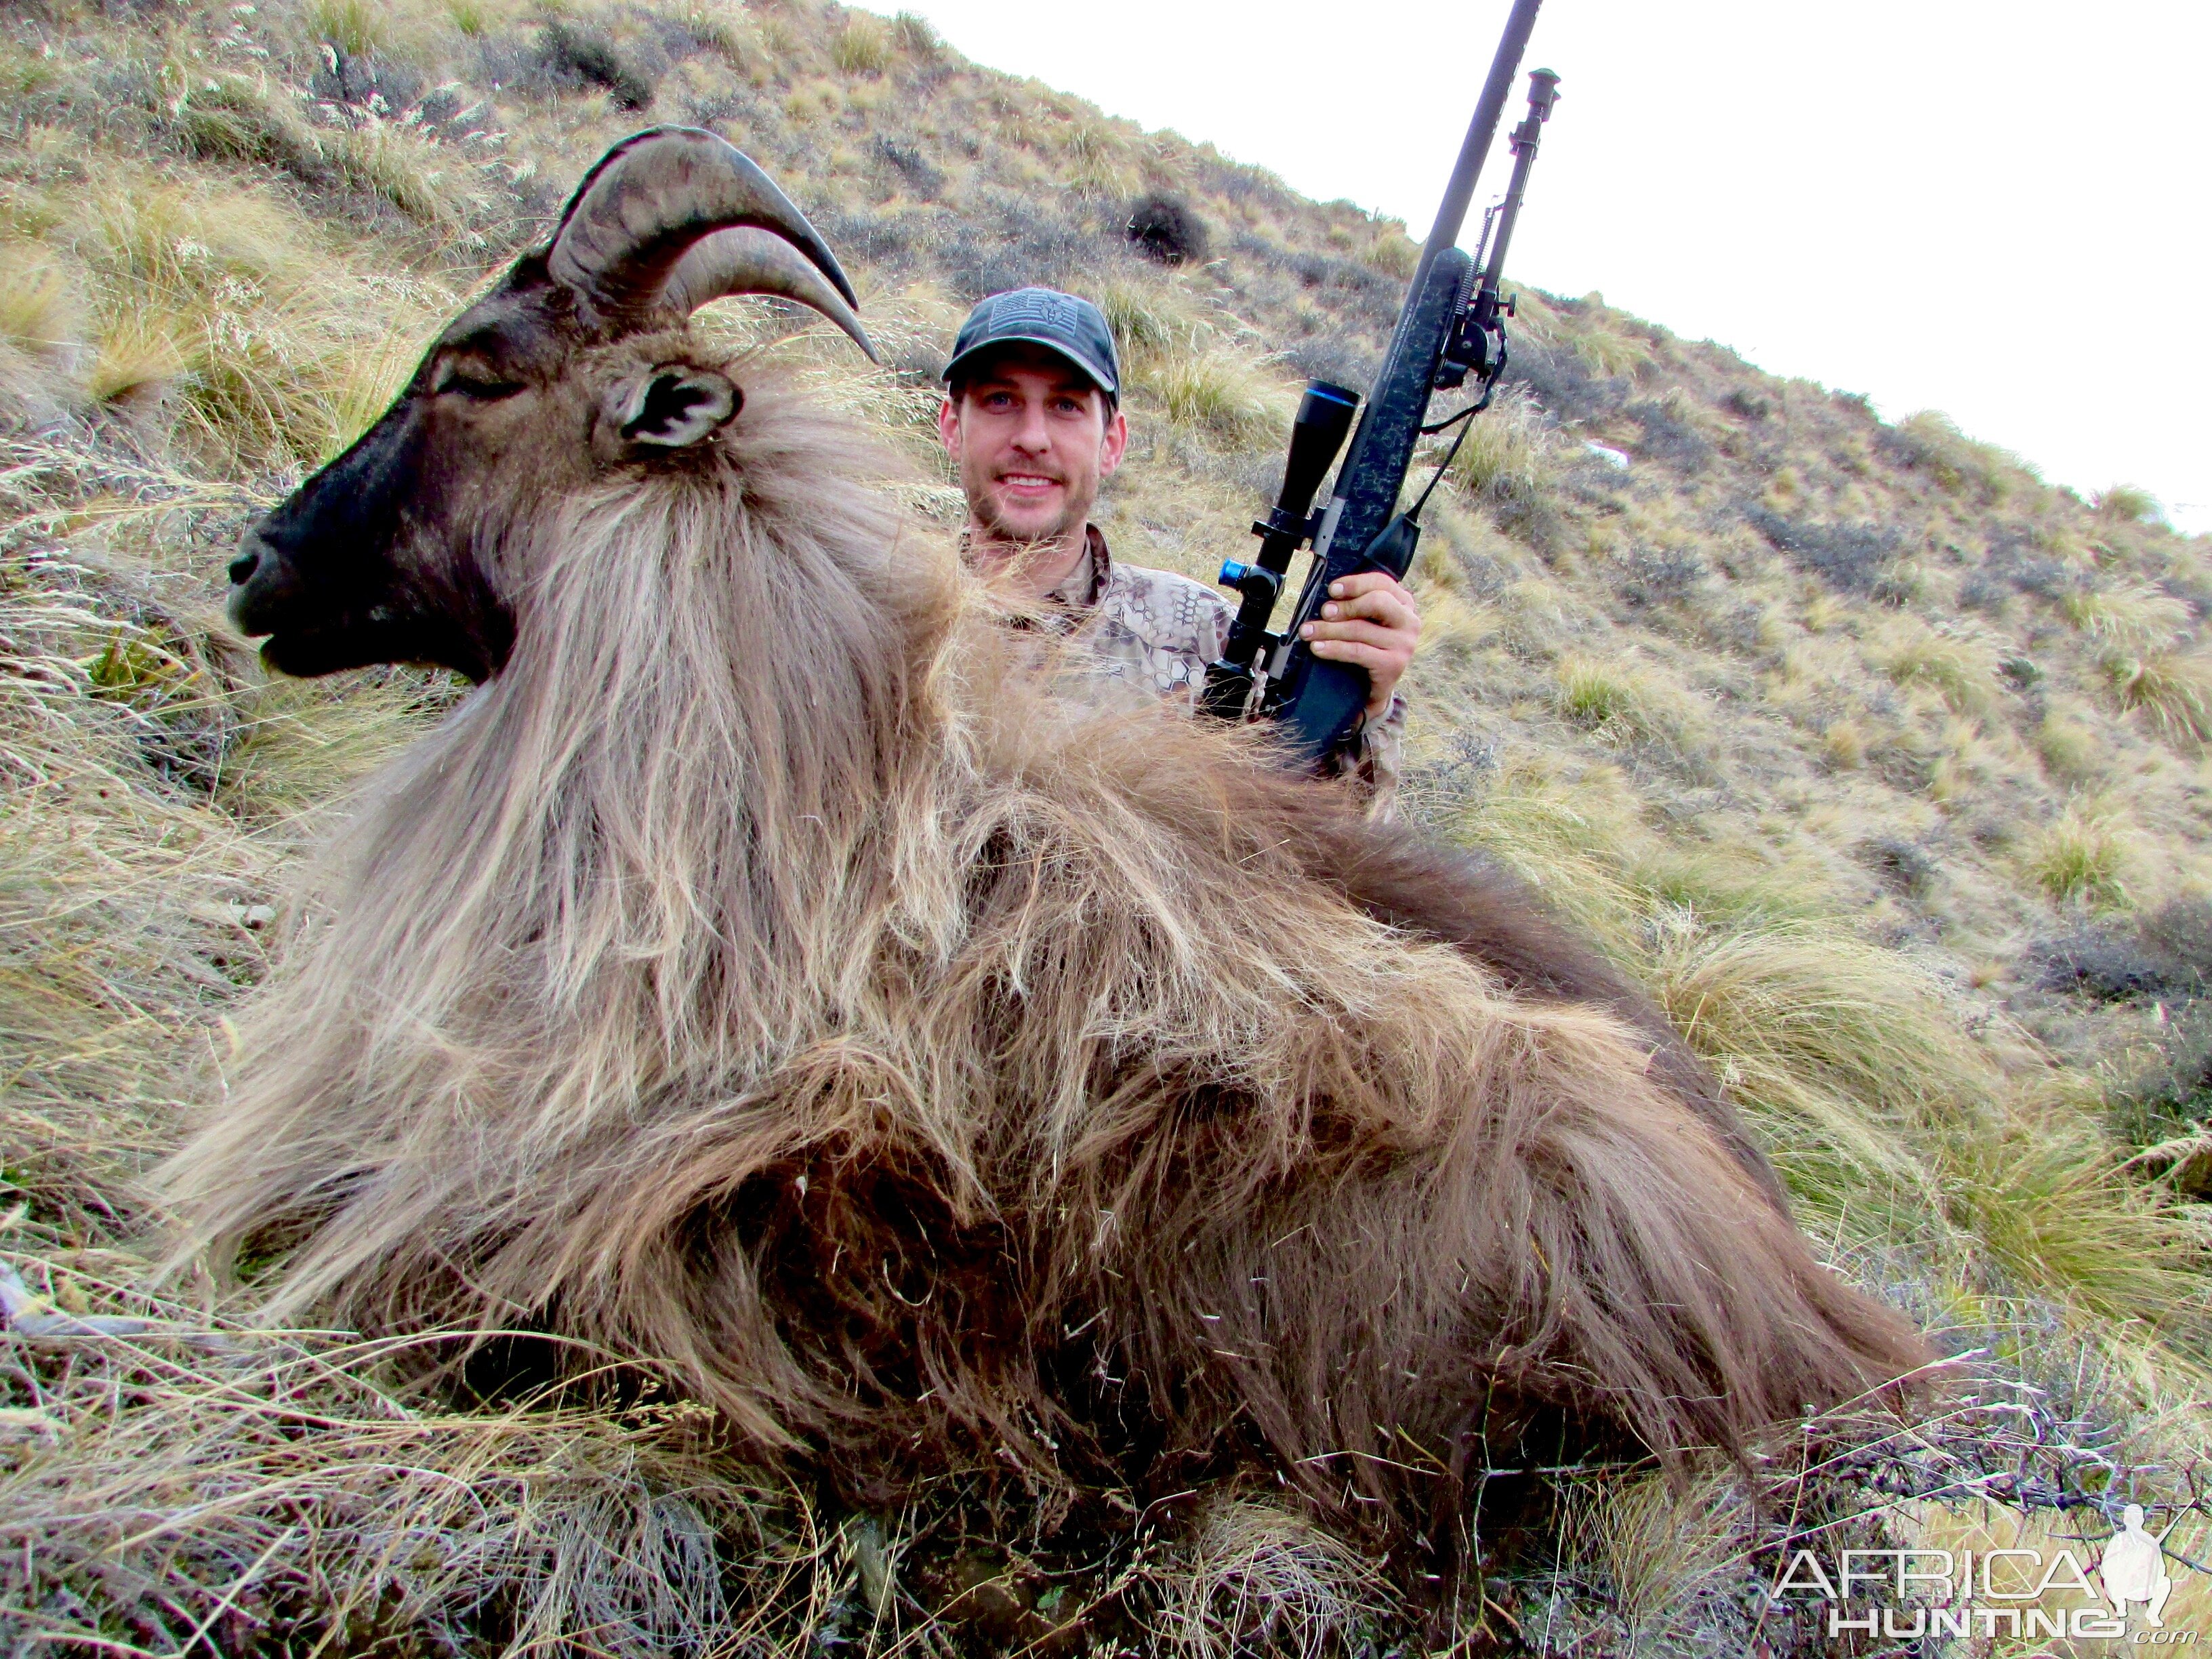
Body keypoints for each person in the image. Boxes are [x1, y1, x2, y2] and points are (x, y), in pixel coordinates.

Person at [936, 287, 1420, 813]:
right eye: (1000, 400)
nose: (1032, 437)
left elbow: (1330, 847)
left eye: (1066, 405)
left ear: (1112, 443)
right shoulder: (884, 617)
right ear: (953, 428)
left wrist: (1362, 708)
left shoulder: (1206, 636)